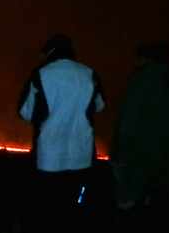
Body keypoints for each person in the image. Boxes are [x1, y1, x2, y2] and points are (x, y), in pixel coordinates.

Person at [17, 34, 106, 232]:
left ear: (49, 52)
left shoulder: (40, 74)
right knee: (76, 211)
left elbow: (25, 111)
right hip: (82, 157)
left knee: (48, 211)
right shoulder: (90, 74)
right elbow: (100, 106)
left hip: (49, 158)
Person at [111, 41, 169, 230]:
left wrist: (118, 154)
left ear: (144, 59)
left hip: (139, 157)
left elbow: (128, 121)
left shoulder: (141, 81)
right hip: (168, 160)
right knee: (159, 213)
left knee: (130, 209)